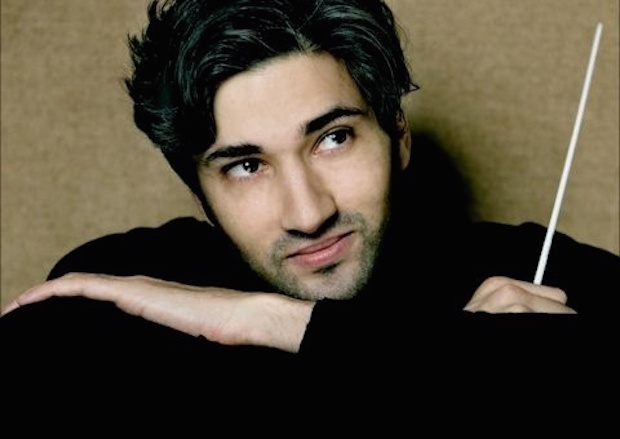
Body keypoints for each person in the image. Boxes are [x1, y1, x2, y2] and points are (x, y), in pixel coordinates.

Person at [1, 0, 618, 401]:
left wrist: (274, 323)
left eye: (333, 138)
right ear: (197, 192)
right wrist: (461, 367)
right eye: (246, 166)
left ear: (398, 135)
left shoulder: (536, 275)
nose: (308, 214)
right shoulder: (125, 292)